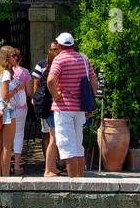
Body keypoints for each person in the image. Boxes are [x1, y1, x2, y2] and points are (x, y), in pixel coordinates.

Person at [46, 32, 96, 178]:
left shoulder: (59, 60)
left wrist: (56, 95)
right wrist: (90, 103)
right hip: (80, 108)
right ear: (73, 44)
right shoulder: (84, 58)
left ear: (59, 45)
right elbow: (93, 82)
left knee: (67, 147)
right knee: (78, 146)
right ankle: (81, 181)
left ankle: (73, 183)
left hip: (64, 109)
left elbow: (50, 80)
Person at [33, 42, 61, 177]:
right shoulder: (50, 72)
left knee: (53, 138)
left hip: (49, 107)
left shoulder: (48, 70)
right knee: (53, 138)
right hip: (52, 107)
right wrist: (58, 95)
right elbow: (48, 86)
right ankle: (48, 169)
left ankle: (52, 167)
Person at [10, 56, 31, 176]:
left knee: (6, 137)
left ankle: (6, 164)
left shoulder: (3, 71)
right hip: (21, 107)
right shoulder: (25, 72)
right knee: (18, 135)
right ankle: (17, 166)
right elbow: (29, 92)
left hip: (7, 107)